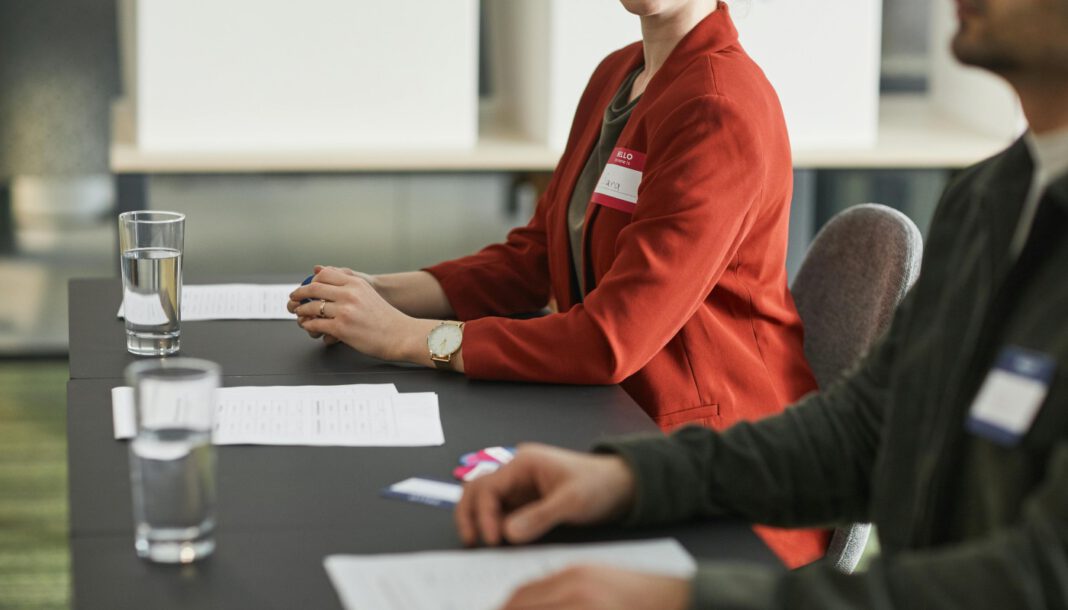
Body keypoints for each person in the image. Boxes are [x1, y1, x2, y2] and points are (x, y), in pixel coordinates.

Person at [453, 0, 1068, 607]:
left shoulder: (721, 100)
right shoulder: (989, 198)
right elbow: (865, 431)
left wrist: (685, 599)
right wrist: (630, 478)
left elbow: (1035, 581)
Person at [289, 1, 827, 567]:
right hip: (608, 422)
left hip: (716, 474)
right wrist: (379, 294)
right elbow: (536, 257)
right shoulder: (618, 75)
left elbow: (609, 340)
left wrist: (407, 338)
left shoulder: (720, 107)